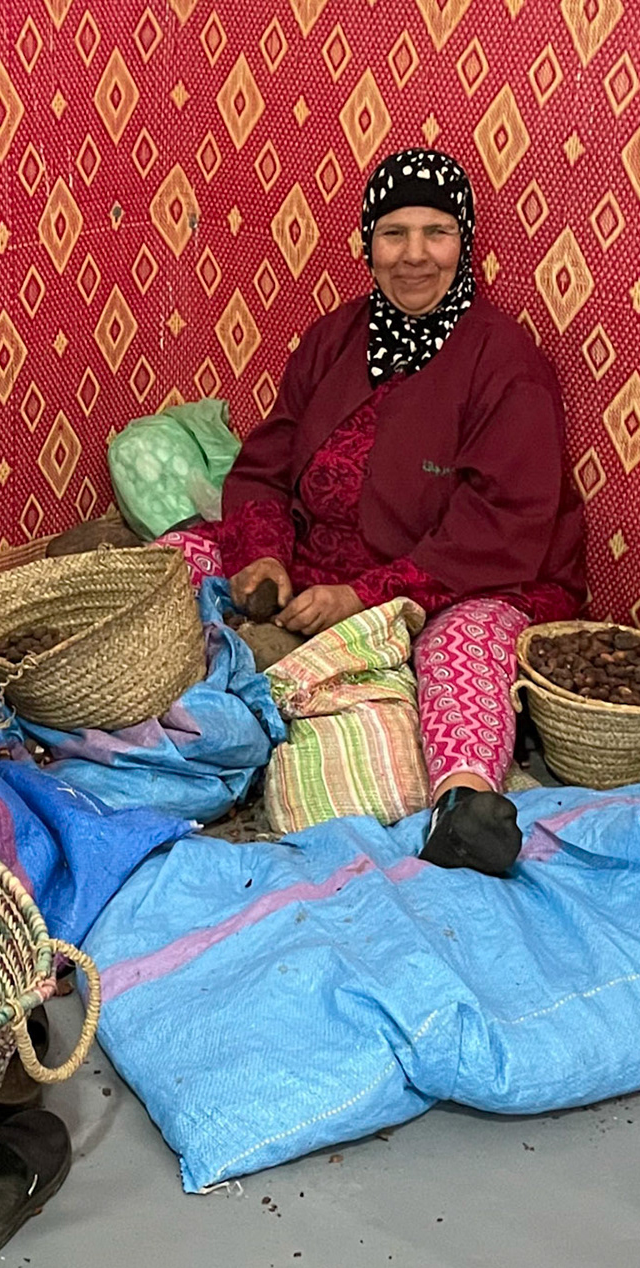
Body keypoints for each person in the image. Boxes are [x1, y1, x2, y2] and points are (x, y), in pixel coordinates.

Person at [160, 149, 584, 875]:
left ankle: (463, 804)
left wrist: (365, 596)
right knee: (176, 557)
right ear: (367, 243)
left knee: (461, 646)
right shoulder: (335, 338)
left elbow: (504, 518)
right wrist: (264, 553)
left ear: (465, 242)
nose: (414, 256)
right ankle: (109, 700)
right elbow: (268, 461)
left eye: (436, 232)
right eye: (394, 233)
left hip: (467, 578)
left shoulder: (503, 361)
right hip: (320, 562)